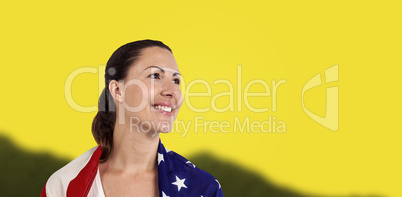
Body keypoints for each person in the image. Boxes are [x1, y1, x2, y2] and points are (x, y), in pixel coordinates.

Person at [41, 40, 224, 197]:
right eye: (155, 76)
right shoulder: (64, 185)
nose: (172, 91)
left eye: (176, 80)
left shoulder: (203, 188)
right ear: (118, 91)